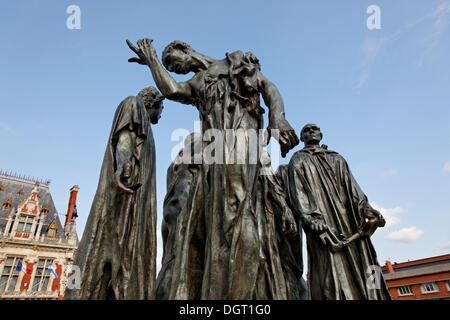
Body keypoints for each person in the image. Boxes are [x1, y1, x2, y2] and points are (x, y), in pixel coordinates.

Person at [127, 38, 299, 299]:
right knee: (213, 219)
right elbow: (172, 90)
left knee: (235, 210)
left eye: (176, 63)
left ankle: (236, 292)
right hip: (214, 153)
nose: (177, 69)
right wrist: (152, 62)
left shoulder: (236, 61)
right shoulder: (199, 82)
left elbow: (268, 87)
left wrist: (278, 117)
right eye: (172, 67)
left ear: (186, 50)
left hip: (240, 139)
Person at [64, 87, 164, 300]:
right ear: (152, 103)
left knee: (123, 253)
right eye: (161, 108)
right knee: (112, 250)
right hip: (124, 196)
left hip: (134, 198)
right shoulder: (134, 104)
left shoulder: (147, 125)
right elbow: (125, 137)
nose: (162, 114)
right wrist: (123, 163)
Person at [287, 124, 391, 300]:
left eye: (315, 129)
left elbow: (353, 188)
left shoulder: (337, 159)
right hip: (323, 225)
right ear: (302, 138)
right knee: (329, 270)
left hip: (350, 220)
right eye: (306, 130)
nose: (311, 131)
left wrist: (367, 210)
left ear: (321, 134)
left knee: (362, 262)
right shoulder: (298, 159)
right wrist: (311, 218)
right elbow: (298, 192)